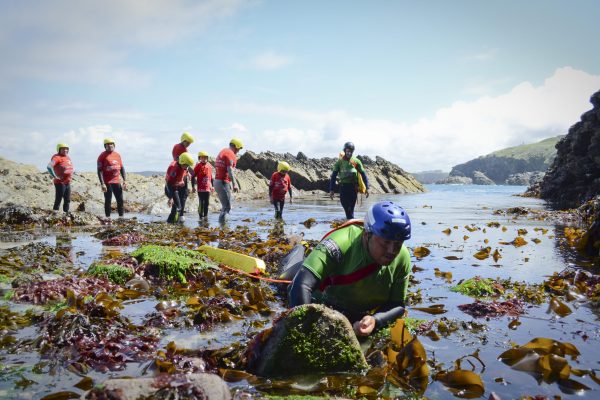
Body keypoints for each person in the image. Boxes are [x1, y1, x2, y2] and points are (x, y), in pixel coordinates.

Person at [286, 201, 411, 337]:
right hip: (306, 285)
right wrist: (306, 333)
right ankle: (298, 247)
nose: (392, 251)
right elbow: (301, 285)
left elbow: (397, 304)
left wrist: (375, 320)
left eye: (398, 244)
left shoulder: (402, 258)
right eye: (385, 242)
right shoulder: (339, 243)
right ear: (366, 235)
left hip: (352, 310)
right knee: (283, 277)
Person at [329, 142, 370, 219]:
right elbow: (333, 176)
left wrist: (367, 188)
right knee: (346, 206)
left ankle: (350, 221)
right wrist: (331, 190)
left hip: (353, 188)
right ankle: (350, 220)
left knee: (351, 208)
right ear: (344, 150)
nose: (349, 153)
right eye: (348, 151)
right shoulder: (339, 162)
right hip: (343, 187)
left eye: (351, 151)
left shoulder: (356, 161)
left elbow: (363, 175)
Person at [214, 138, 243, 222]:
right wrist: (234, 184)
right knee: (227, 207)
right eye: (238, 149)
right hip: (222, 182)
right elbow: (230, 169)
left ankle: (223, 226)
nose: (238, 151)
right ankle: (223, 228)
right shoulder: (231, 154)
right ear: (235, 146)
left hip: (217, 182)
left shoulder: (223, 151)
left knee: (225, 206)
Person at [97, 138, 127, 219]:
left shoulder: (117, 155)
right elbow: (99, 171)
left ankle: (121, 217)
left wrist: (124, 180)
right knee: (108, 200)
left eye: (112, 144)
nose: (110, 146)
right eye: (108, 144)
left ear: (114, 145)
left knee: (120, 200)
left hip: (117, 181)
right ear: (105, 146)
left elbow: (122, 168)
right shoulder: (102, 156)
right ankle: (108, 218)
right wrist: (102, 183)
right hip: (107, 182)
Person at [165, 152, 195, 223]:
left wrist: (187, 174)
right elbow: (169, 184)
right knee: (178, 207)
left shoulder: (182, 165)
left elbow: (185, 170)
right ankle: (171, 223)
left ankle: (172, 223)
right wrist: (170, 197)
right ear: (182, 162)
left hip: (175, 188)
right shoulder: (174, 168)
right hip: (171, 188)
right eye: (186, 165)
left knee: (178, 207)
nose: (187, 167)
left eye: (188, 165)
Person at [172, 132, 195, 216]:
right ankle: (180, 215)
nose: (188, 144)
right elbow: (182, 163)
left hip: (179, 172)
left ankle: (176, 214)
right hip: (181, 174)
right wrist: (187, 172)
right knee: (183, 195)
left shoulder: (175, 146)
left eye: (190, 143)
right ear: (183, 140)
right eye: (187, 142)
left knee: (179, 195)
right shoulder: (182, 149)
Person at [47, 143, 74, 214]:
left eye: (67, 149)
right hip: (60, 183)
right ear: (59, 149)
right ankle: (54, 214)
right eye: (63, 149)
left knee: (67, 200)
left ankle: (66, 214)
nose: (65, 150)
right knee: (58, 199)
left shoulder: (67, 157)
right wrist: (55, 176)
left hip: (67, 182)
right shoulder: (57, 157)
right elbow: (49, 166)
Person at [193, 150, 214, 220]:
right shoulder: (198, 166)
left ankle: (205, 216)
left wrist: (212, 186)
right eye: (202, 158)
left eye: (205, 157)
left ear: (207, 158)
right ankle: (200, 216)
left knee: (207, 203)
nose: (204, 159)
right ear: (199, 158)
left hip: (207, 188)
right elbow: (193, 175)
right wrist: (193, 186)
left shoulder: (210, 166)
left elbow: (211, 177)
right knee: (201, 202)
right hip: (200, 188)